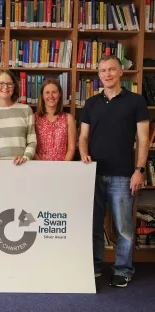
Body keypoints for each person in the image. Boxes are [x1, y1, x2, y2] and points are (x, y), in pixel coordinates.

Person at [79, 55, 149, 287]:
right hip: (94, 173)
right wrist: (83, 154)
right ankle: (95, 265)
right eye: (102, 71)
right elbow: (83, 137)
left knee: (123, 228)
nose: (107, 74)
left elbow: (143, 138)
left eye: (111, 70)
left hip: (123, 174)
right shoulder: (91, 104)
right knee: (94, 225)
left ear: (121, 73)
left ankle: (122, 269)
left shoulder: (136, 101)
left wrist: (139, 169)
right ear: (98, 75)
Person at [0, 70, 36, 164]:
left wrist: (26, 158)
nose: (5, 87)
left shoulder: (26, 110)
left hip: (21, 166)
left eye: (9, 84)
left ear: (14, 86)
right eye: (0, 83)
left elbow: (32, 141)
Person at [34, 78, 76, 161]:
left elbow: (71, 148)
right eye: (47, 92)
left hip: (62, 168)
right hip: (39, 167)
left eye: (54, 92)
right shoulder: (34, 118)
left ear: (59, 94)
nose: (51, 96)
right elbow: (31, 146)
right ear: (42, 95)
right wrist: (41, 166)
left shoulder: (69, 118)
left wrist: (63, 167)